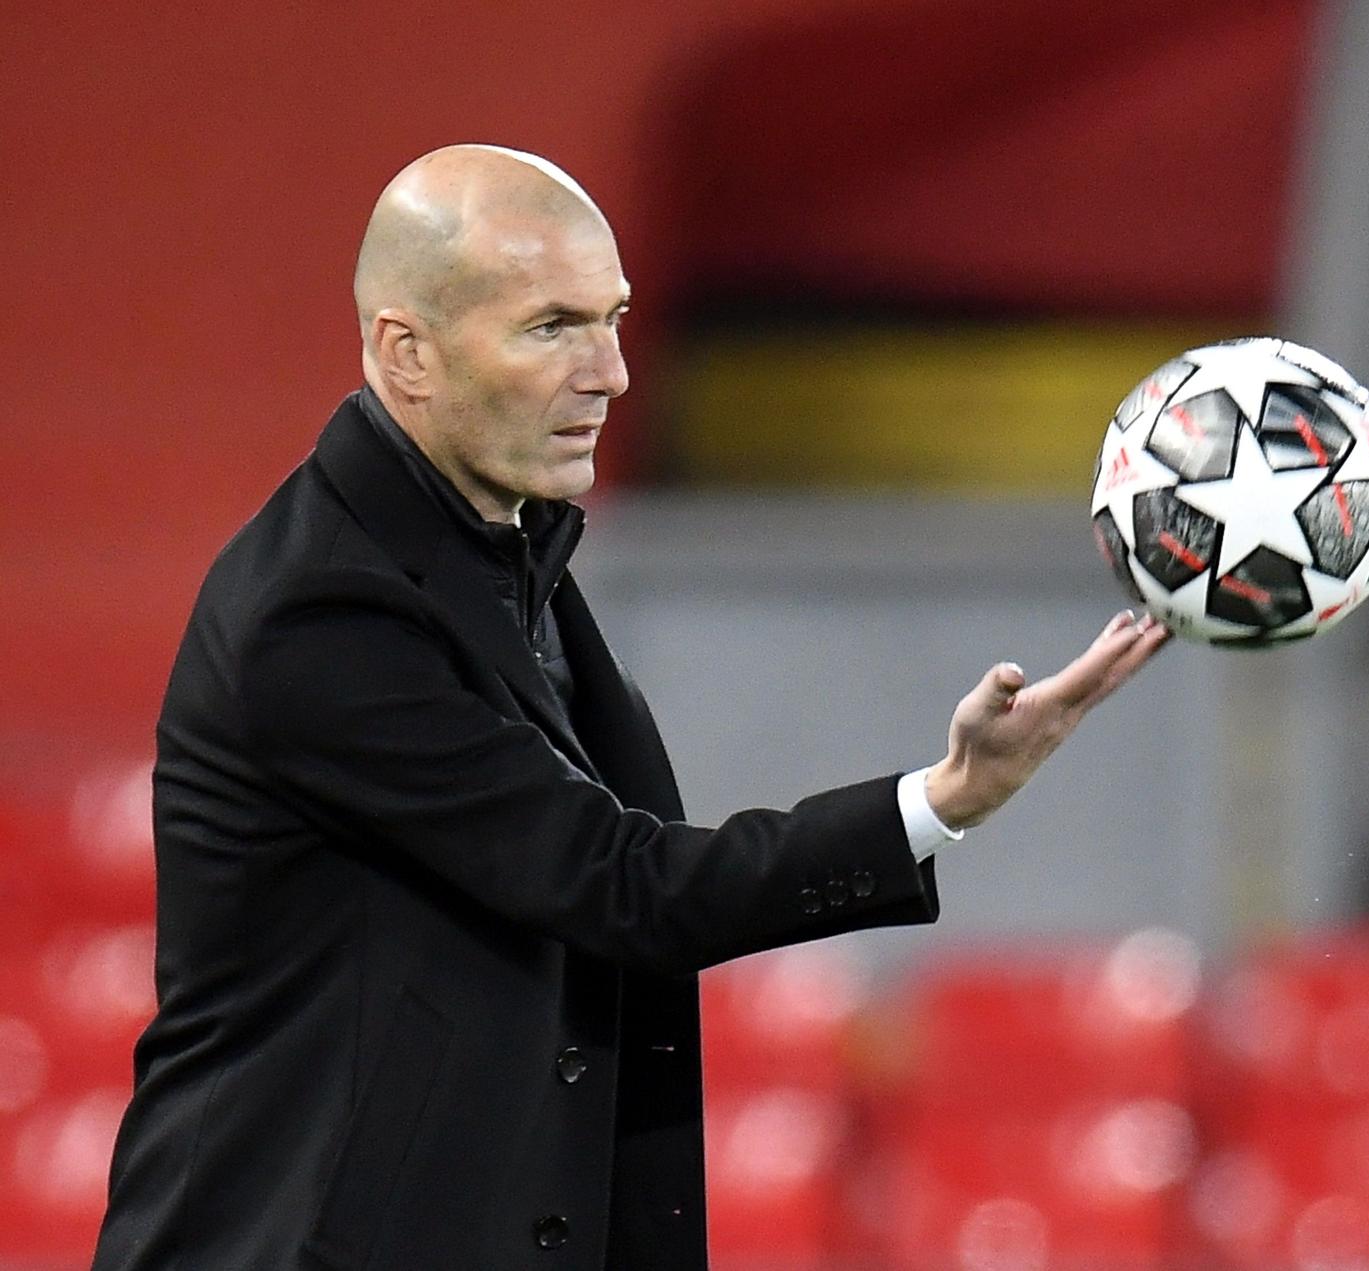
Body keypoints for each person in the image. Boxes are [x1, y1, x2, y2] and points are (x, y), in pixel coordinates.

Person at [90, 144, 1167, 1271]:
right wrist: (938, 800)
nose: (610, 371)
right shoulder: (320, 612)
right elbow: (624, 886)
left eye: (612, 318)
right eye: (552, 327)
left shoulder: (507, 559)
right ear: (406, 353)